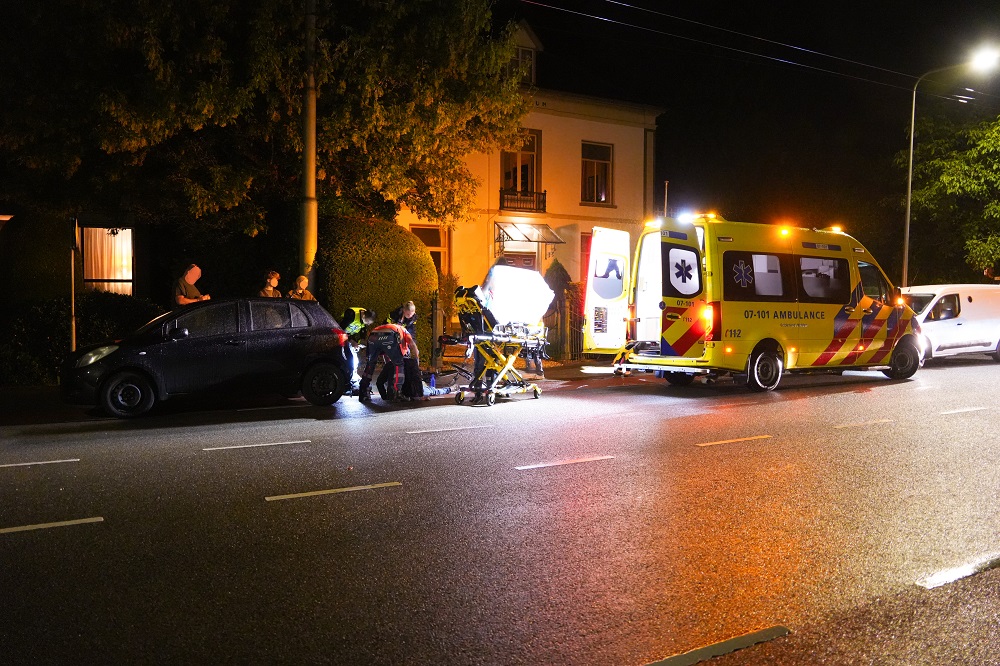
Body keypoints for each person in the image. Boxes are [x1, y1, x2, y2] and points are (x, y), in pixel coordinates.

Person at [358, 321, 418, 404]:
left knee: (370, 364)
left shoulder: (391, 327)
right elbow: (412, 344)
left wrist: (388, 365)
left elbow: (386, 354)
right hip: (389, 336)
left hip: (373, 336)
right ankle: (397, 392)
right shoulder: (404, 331)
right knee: (399, 364)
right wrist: (416, 357)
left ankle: (363, 390)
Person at [340, 307, 376, 394]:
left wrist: (359, 343)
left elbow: (362, 334)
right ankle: (347, 379)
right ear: (364, 316)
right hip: (341, 337)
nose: (366, 324)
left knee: (353, 358)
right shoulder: (351, 314)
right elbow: (340, 329)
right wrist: (351, 341)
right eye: (366, 322)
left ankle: (353, 375)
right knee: (348, 359)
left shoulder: (364, 320)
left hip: (348, 338)